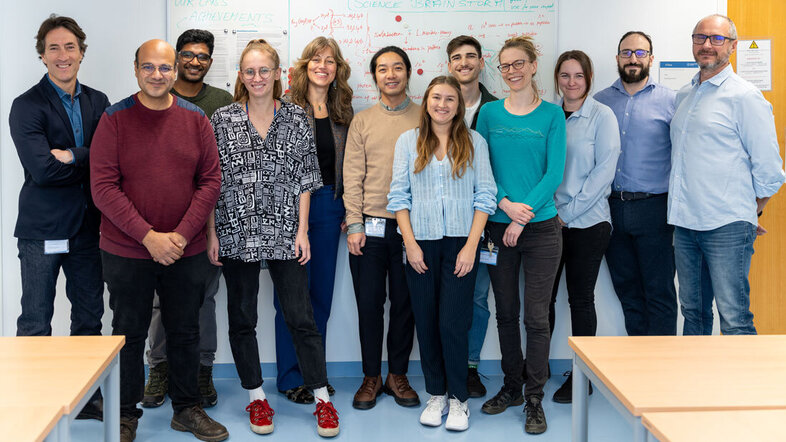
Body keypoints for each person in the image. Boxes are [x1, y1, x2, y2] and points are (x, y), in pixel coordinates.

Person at [91, 39, 227, 442]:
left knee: (185, 330)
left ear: (175, 71)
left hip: (186, 250)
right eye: (148, 67)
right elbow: (103, 187)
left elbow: (210, 180)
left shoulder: (196, 119)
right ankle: (125, 414)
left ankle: (186, 409)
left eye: (164, 67)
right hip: (127, 250)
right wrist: (149, 237)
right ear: (135, 70)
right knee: (129, 332)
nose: (157, 75)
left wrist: (181, 236)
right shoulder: (114, 119)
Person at [208, 39, 339, 437]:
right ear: (241, 76)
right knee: (243, 318)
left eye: (265, 70)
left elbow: (305, 180)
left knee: (301, 317)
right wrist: (212, 234)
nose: (257, 78)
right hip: (236, 232)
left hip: (286, 232)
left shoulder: (297, 118)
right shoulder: (222, 119)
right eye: (250, 71)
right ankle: (256, 398)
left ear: (279, 73)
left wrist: (302, 232)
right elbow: (211, 181)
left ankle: (322, 400)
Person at [9, 13, 109, 421]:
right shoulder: (26, 106)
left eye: (70, 47)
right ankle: (34, 401)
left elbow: (109, 162)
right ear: (42, 55)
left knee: (89, 319)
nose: (62, 55)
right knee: (35, 319)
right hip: (42, 230)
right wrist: (86, 160)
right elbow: (42, 170)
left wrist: (72, 155)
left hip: (88, 228)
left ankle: (86, 400)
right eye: (54, 47)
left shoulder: (98, 101)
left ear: (82, 54)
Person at [388, 75, 497, 431]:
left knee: (453, 323)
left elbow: (485, 197)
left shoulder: (475, 142)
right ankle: (436, 395)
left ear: (459, 105)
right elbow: (399, 197)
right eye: (437, 97)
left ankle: (459, 400)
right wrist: (410, 243)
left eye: (450, 99)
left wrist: (471, 246)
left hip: (460, 245)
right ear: (427, 101)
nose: (443, 105)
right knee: (427, 321)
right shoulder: (409, 141)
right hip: (420, 243)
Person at [669, 14, 785, 335]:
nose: (707, 45)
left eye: (717, 39)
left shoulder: (744, 96)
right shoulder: (685, 95)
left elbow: (770, 170)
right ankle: (699, 384)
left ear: (732, 46)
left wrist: (752, 211)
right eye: (700, 38)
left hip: (726, 227)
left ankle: (744, 387)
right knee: (693, 313)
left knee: (734, 317)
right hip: (685, 225)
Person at [476, 36, 566, 435]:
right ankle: (511, 387)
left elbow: (554, 173)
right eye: (505, 66)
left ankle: (534, 397)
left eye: (519, 64)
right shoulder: (489, 114)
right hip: (496, 227)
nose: (512, 71)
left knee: (537, 318)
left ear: (533, 65)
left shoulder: (552, 116)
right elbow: (481, 170)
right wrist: (506, 206)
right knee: (506, 313)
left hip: (541, 228)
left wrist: (520, 216)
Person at [143, 28, 233, 410]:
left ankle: (202, 369)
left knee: (204, 299)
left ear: (211, 61)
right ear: (177, 57)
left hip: (207, 220)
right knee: (160, 303)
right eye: (188, 54)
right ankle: (160, 367)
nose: (195, 61)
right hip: (160, 222)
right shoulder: (157, 94)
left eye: (203, 56)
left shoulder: (223, 101)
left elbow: (221, 167)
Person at [273, 36, 353, 404]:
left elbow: (351, 166)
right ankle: (291, 378)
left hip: (330, 206)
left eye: (330, 61)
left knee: (320, 296)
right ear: (305, 66)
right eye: (316, 59)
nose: (323, 66)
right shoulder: (285, 108)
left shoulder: (343, 109)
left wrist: (349, 210)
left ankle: (314, 375)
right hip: (290, 210)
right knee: (290, 298)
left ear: (338, 69)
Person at [344, 46, 420, 410]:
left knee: (406, 304)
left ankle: (398, 375)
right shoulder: (362, 120)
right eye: (383, 69)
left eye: (397, 68)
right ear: (374, 76)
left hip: (414, 231)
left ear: (408, 73)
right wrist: (354, 224)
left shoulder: (428, 116)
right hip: (369, 227)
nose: (390, 75)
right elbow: (353, 175)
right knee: (369, 304)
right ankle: (371, 375)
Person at [595, 31, 680, 336]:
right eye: (626, 52)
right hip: (612, 209)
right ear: (618, 58)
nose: (633, 59)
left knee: (659, 294)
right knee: (628, 293)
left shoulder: (672, 101)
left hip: (655, 209)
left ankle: (661, 372)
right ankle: (637, 371)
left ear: (651, 59)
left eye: (640, 53)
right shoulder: (599, 102)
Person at [548, 50, 620, 403]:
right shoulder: (547, 114)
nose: (571, 82)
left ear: (588, 79)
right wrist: (551, 214)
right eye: (565, 75)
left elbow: (602, 175)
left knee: (580, 299)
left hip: (588, 223)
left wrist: (568, 214)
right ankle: (536, 369)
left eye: (578, 75)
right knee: (540, 299)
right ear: (556, 78)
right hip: (548, 221)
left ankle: (582, 376)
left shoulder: (601, 116)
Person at [446, 34, 498, 398]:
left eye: (470, 57)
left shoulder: (499, 108)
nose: (463, 63)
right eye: (456, 58)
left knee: (478, 297)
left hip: (486, 221)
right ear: (449, 66)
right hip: (443, 224)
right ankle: (446, 366)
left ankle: (470, 367)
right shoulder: (437, 105)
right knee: (446, 298)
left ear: (482, 62)